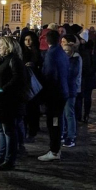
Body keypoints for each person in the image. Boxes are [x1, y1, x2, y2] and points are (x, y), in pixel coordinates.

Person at [0, 36, 29, 170]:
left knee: (9, 131)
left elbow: (18, 79)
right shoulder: (1, 59)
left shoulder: (14, 60)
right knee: (1, 130)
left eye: (2, 45)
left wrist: (2, 90)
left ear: (9, 47)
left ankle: (10, 160)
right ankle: (1, 155)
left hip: (8, 102)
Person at [38, 30, 69, 161]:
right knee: (56, 121)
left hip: (54, 95)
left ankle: (54, 150)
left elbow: (49, 75)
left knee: (54, 123)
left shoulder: (51, 54)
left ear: (46, 40)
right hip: (61, 92)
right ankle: (56, 149)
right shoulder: (61, 52)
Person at [20, 31, 42, 140]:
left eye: (29, 40)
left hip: (35, 84)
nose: (27, 42)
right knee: (25, 109)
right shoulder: (21, 53)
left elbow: (41, 66)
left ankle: (33, 130)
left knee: (33, 109)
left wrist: (34, 66)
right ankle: (25, 130)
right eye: (25, 40)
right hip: (24, 83)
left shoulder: (38, 53)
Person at [61, 37, 81, 148]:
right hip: (63, 90)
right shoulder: (65, 60)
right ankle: (65, 133)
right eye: (64, 50)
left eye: (67, 51)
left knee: (69, 113)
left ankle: (71, 136)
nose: (65, 53)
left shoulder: (75, 61)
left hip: (70, 90)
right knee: (64, 113)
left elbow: (71, 75)